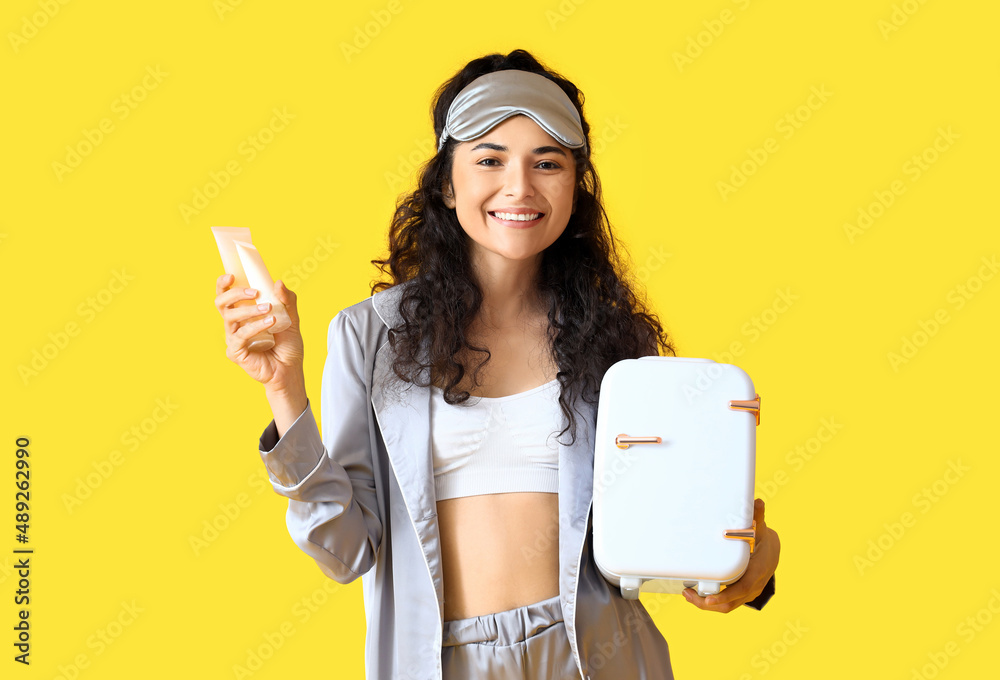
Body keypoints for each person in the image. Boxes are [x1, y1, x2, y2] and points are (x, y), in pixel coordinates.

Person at [214, 49, 779, 680]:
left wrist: (753, 569)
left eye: (548, 163)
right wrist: (284, 389)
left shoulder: (611, 340)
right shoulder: (370, 335)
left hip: (595, 657)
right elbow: (343, 550)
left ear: (576, 187)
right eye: (489, 159)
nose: (519, 186)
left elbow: (665, 527)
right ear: (447, 184)